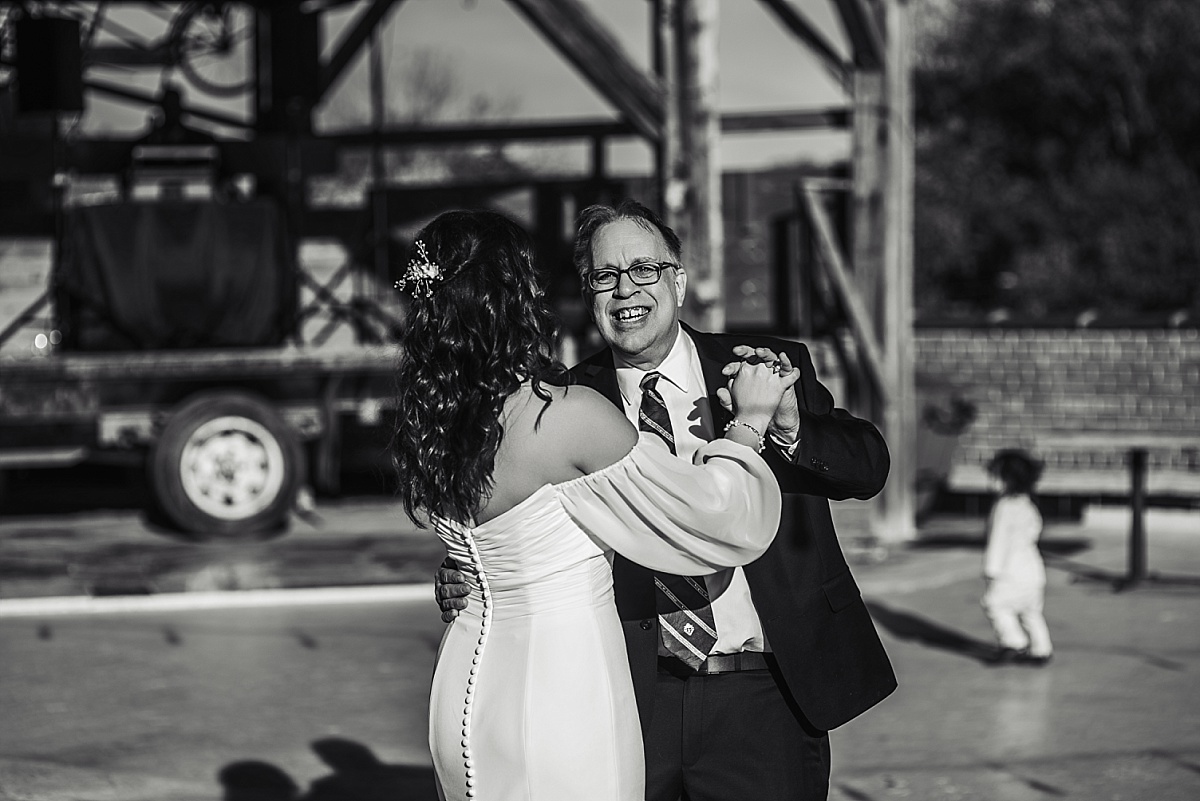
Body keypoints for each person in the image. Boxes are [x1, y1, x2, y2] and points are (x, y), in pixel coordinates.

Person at [439, 199, 897, 801]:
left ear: (677, 280)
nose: (625, 290)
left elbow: (867, 467)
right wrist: (472, 570)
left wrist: (787, 426)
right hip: (628, 694)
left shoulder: (761, 364)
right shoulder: (567, 400)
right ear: (588, 294)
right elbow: (520, 516)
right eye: (605, 276)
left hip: (762, 693)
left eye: (643, 269)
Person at [982, 448, 1053, 666]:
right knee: (1031, 611)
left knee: (994, 604)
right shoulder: (1028, 504)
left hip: (1010, 570)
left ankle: (1014, 642)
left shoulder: (1004, 507)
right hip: (1033, 569)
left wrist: (990, 570)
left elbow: (998, 540)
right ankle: (1042, 649)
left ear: (1006, 479)